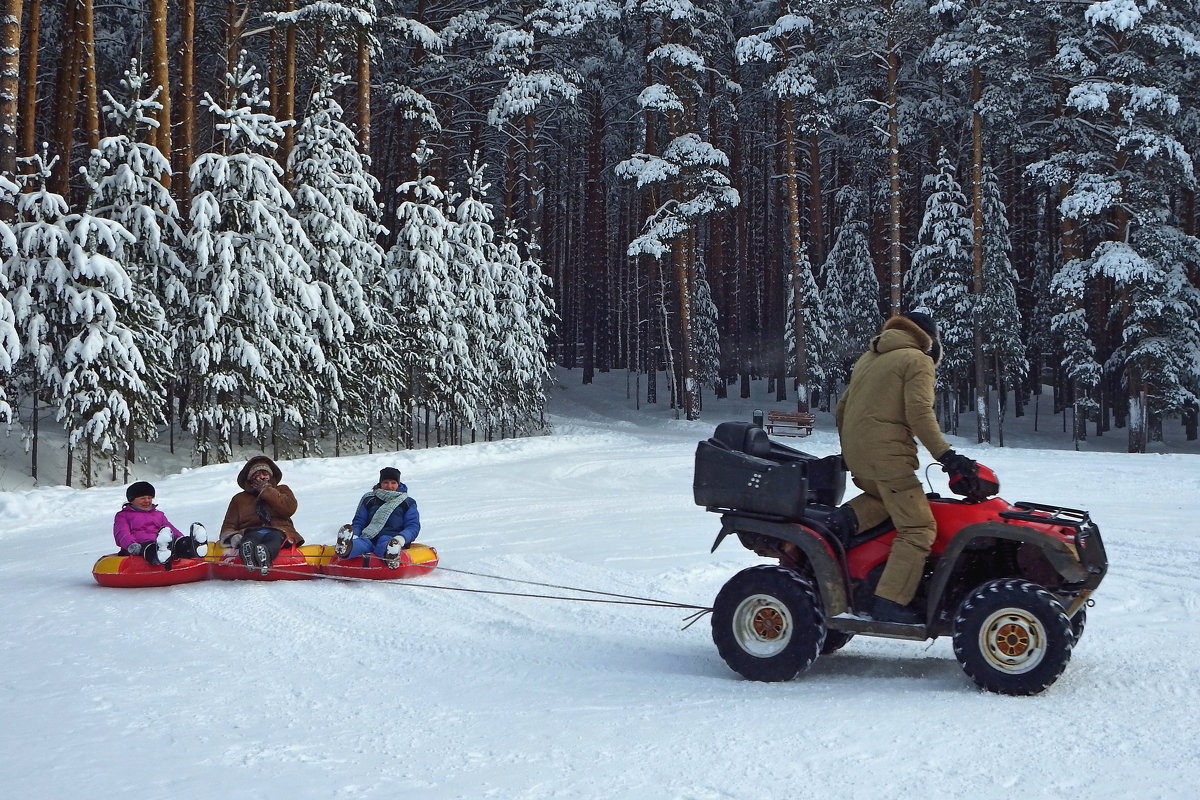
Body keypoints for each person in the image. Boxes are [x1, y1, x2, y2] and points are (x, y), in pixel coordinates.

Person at [834, 310, 978, 623]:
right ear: (930, 340)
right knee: (919, 527)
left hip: (861, 457)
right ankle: (889, 601)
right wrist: (946, 456)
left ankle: (843, 521)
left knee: (887, 498)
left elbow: (842, 407)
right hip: (887, 458)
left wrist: (850, 450)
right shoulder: (917, 360)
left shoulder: (868, 358)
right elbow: (920, 414)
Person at [218, 455, 303, 574]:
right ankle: (248, 555)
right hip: (250, 532)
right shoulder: (239, 499)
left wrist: (267, 491)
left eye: (265, 474)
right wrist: (233, 536)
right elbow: (228, 525)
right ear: (250, 479)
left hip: (280, 531)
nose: (261, 477)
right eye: (257, 475)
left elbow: (289, 508)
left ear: (270, 476)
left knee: (273, 539)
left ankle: (264, 554)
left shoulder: (282, 490)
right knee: (250, 539)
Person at [334, 466, 420, 567]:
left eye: (393, 483)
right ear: (380, 484)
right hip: (369, 537)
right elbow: (359, 521)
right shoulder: (370, 499)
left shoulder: (407, 503)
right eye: (385, 482)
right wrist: (356, 535)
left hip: (392, 538)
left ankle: (391, 555)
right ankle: (346, 547)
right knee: (362, 543)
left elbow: (413, 526)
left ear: (398, 484)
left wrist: (401, 538)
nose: (389, 486)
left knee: (385, 543)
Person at [113, 480, 208, 565]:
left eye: (149, 498)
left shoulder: (158, 514)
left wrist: (180, 538)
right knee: (151, 548)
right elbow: (122, 533)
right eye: (142, 498)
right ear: (132, 500)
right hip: (139, 545)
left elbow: (170, 529)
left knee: (176, 543)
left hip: (161, 542)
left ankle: (191, 545)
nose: (147, 501)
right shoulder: (123, 515)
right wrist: (131, 545)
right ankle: (160, 555)